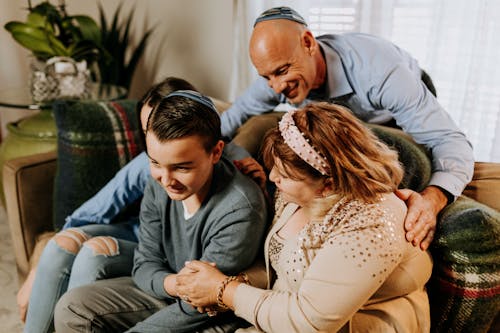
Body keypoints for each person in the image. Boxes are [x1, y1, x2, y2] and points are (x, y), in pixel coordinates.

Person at [219, 6, 474, 251]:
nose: (275, 87)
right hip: (345, 125)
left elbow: (451, 141)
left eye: (281, 72)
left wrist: (433, 199)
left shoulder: (379, 72)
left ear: (308, 43)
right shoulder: (278, 74)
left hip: (389, 118)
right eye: (266, 77)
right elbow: (229, 120)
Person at [19, 77, 262, 333]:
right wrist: (171, 283)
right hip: (169, 285)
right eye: (155, 162)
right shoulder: (155, 180)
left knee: (94, 258)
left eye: (181, 167)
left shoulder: (239, 208)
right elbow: (145, 262)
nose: (166, 180)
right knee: (71, 306)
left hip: (208, 311)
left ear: (216, 153)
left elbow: (199, 306)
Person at [175, 102, 433, 332]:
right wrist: (230, 283)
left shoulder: (372, 221)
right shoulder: (294, 197)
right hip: (287, 317)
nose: (273, 177)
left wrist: (224, 291)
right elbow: (284, 274)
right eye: (274, 166)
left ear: (328, 184)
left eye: (285, 175)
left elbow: (311, 321)